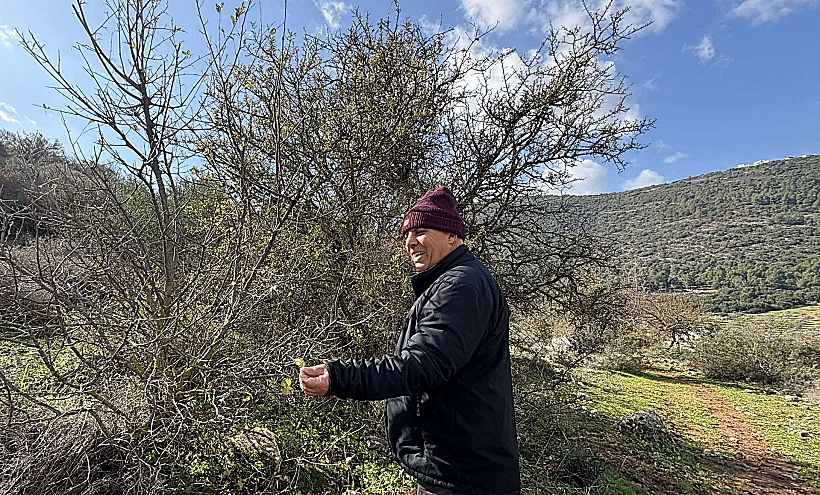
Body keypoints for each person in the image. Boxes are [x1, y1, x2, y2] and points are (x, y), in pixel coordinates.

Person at [300, 186, 520, 495]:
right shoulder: (455, 281)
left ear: (452, 236)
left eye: (421, 231)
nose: (410, 242)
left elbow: (423, 364)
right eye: (407, 233)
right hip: (458, 468)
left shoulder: (461, 286)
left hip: (461, 477)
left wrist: (341, 377)